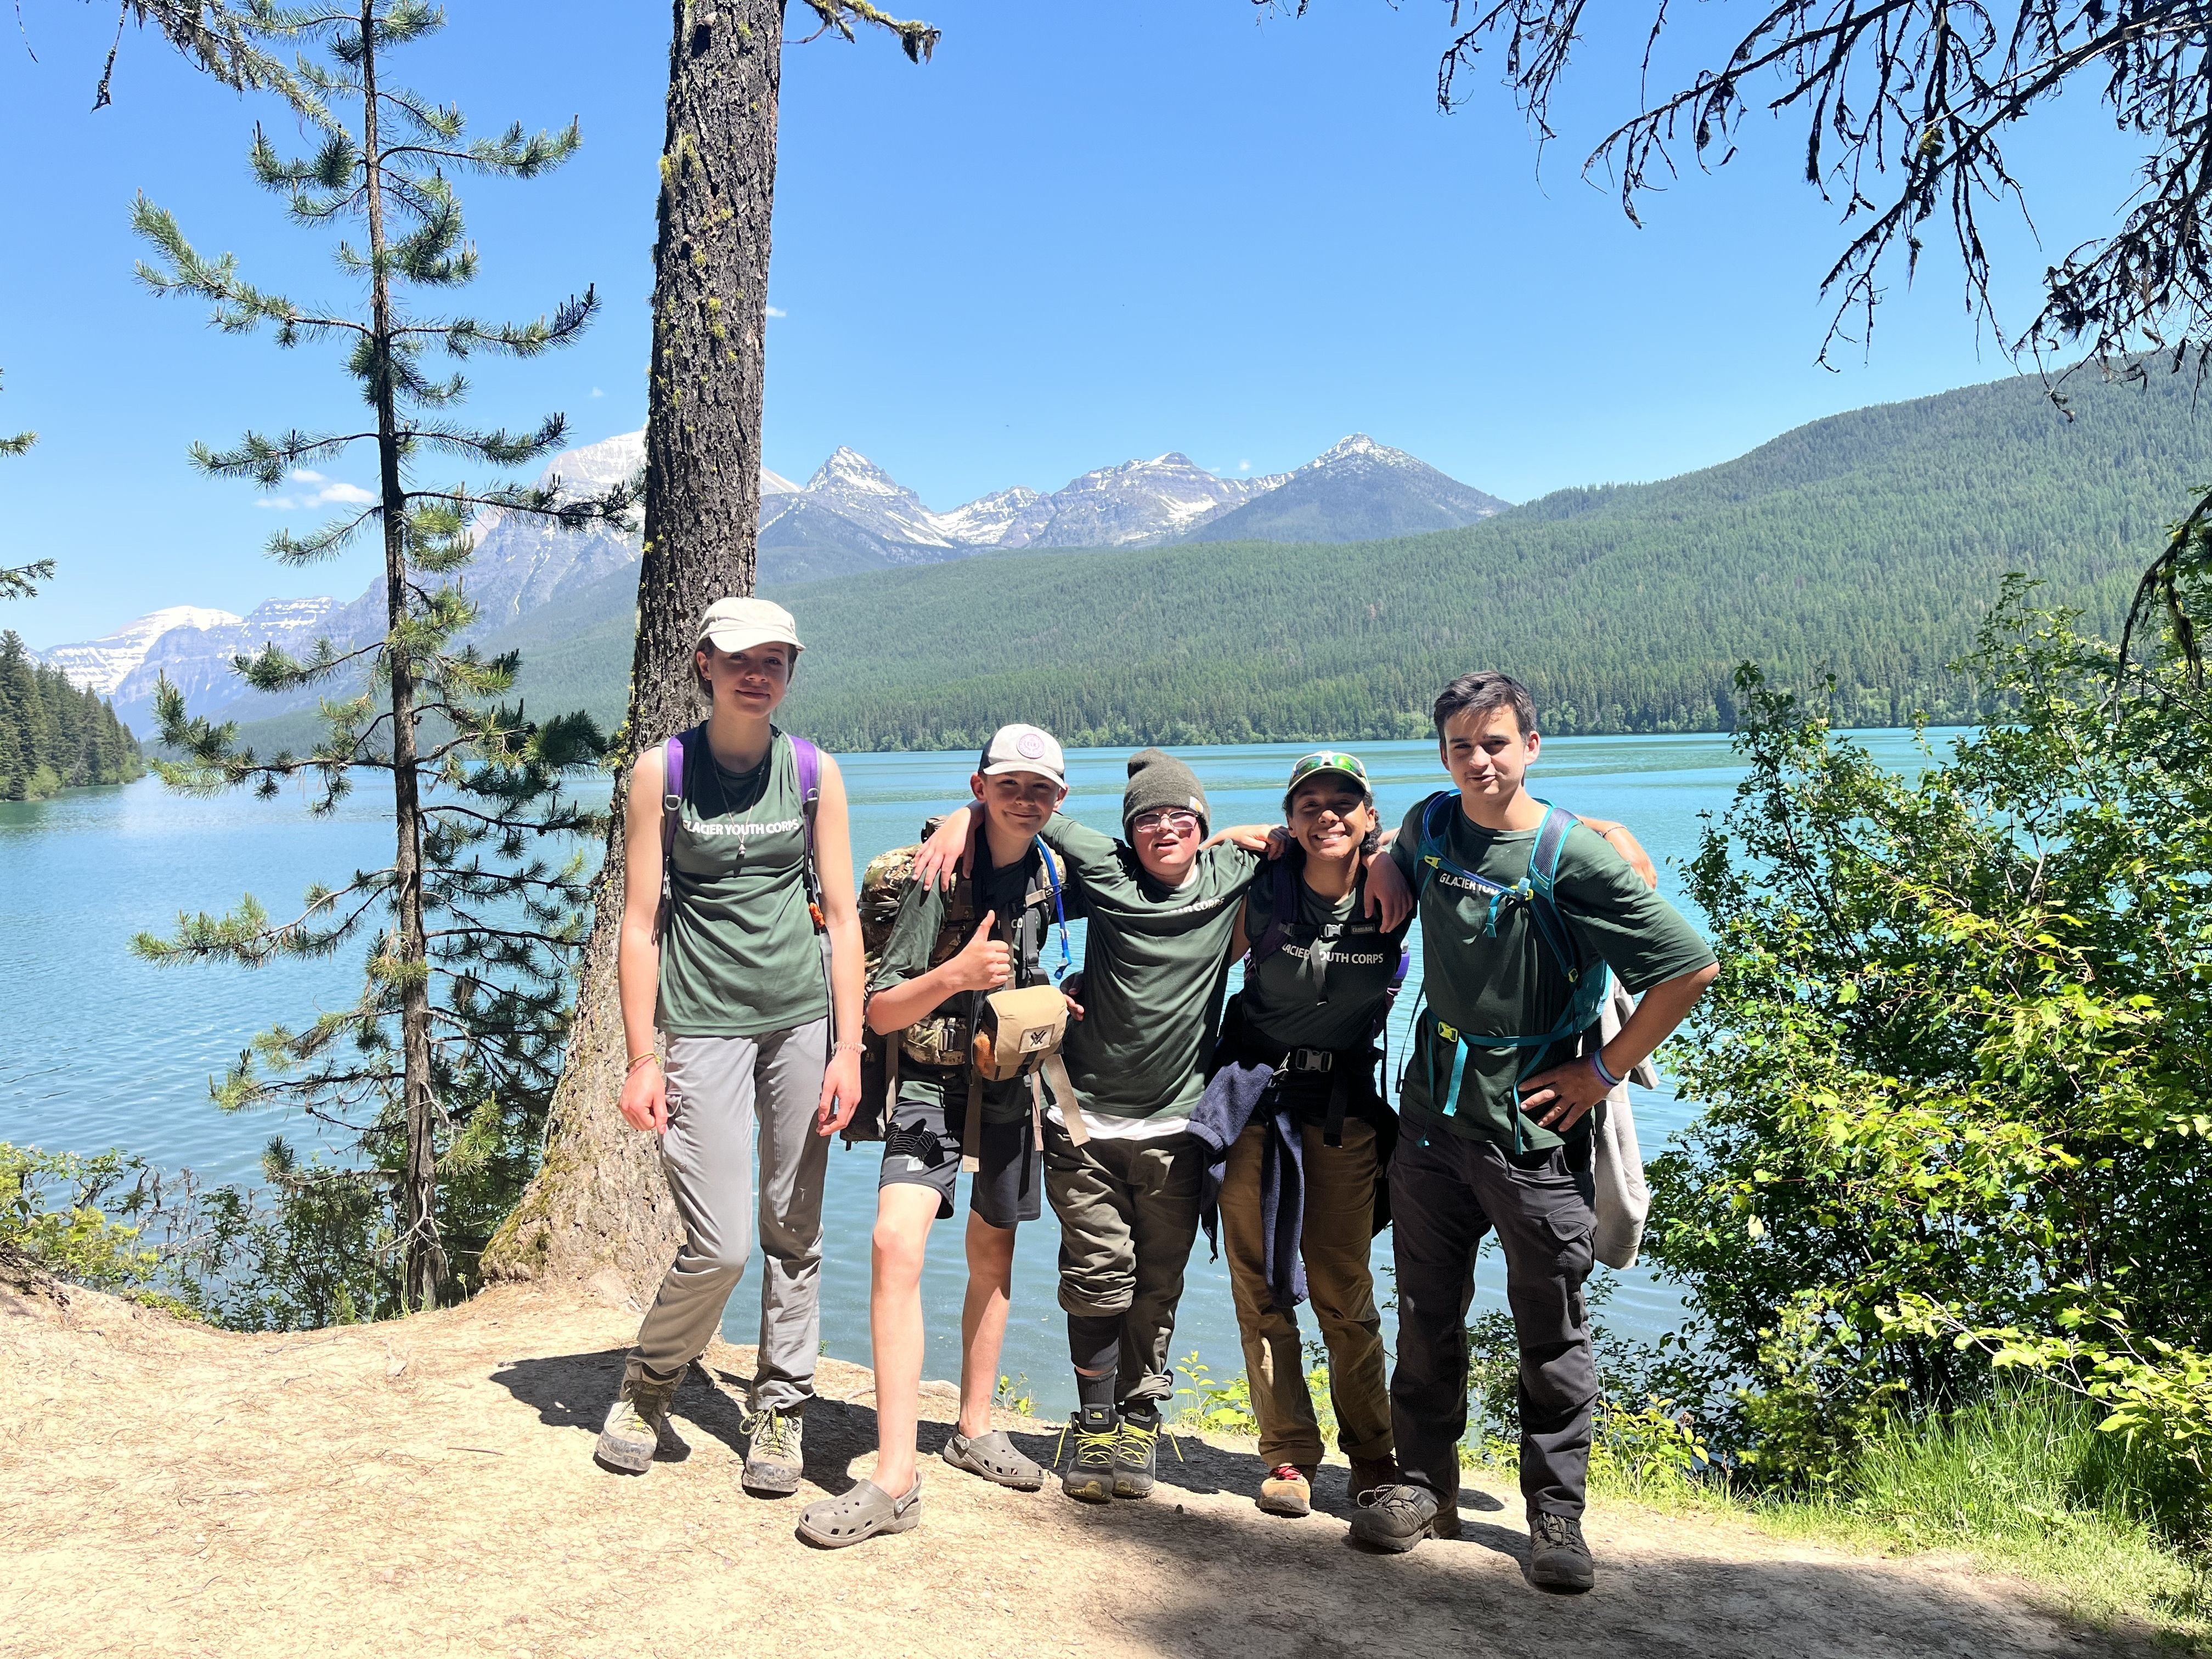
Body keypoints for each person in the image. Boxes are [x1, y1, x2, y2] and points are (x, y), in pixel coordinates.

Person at [915, 751, 1412, 1506]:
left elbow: (1456, 833)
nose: (1326, 816)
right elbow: (1030, 821)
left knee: (1292, 1287)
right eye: (1148, 815)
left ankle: (1353, 1454)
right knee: (1185, 1283)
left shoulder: (1329, 883)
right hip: (1170, 1114)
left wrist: (1378, 854)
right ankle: (1193, 1440)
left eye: (1345, 804)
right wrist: (962, 814)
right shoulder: (1192, 878)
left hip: (1272, 1117)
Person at [1205, 752, 1658, 1522]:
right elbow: (1183, 939)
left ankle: (1377, 1456)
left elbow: (1556, 843)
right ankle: (1287, 1452)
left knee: (1344, 1286)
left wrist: (1612, 833)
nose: (1326, 816)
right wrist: (1223, 838)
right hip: (1253, 1100)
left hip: (1345, 1108)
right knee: (1259, 1283)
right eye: (1307, 804)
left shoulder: (1403, 882)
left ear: (1371, 817)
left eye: (1343, 802)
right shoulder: (1265, 891)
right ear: (1288, 818)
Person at [1352, 671, 1717, 1593]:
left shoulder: (1577, 857)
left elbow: (1689, 968)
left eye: (1497, 744)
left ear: (1532, 748)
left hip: (1535, 1127)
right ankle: (1423, 1488)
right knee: (1427, 1315)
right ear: (1443, 755)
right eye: (1462, 746)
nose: (1480, 761)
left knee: (1549, 1328)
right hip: (1433, 1117)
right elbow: (1397, 829)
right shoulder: (1432, 827)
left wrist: (1598, 1072)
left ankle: (1556, 1514)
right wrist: (1390, 861)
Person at [592, 597, 865, 1497]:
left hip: (799, 1021)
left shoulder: (815, 773)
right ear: (704, 664)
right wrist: (641, 1057)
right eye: (742, 658)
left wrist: (849, 1047)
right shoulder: (661, 772)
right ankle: (651, 1383)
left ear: (789, 674)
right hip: (700, 1022)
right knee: (721, 1242)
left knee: (795, 1230)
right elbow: (640, 922)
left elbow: (844, 916)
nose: (760, 674)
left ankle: (781, 1410)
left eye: (777, 660)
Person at [797, 724, 1083, 1548]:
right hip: (928, 1083)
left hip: (1007, 1086)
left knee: (994, 1257)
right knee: (895, 1244)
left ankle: (972, 1426)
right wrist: (955, 976)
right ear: (979, 784)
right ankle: (894, 1477)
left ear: (1058, 801)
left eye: (1041, 790)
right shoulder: (932, 875)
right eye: (1007, 786)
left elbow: (1147, 879)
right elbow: (879, 1009)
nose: (1024, 801)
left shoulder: (1052, 872)